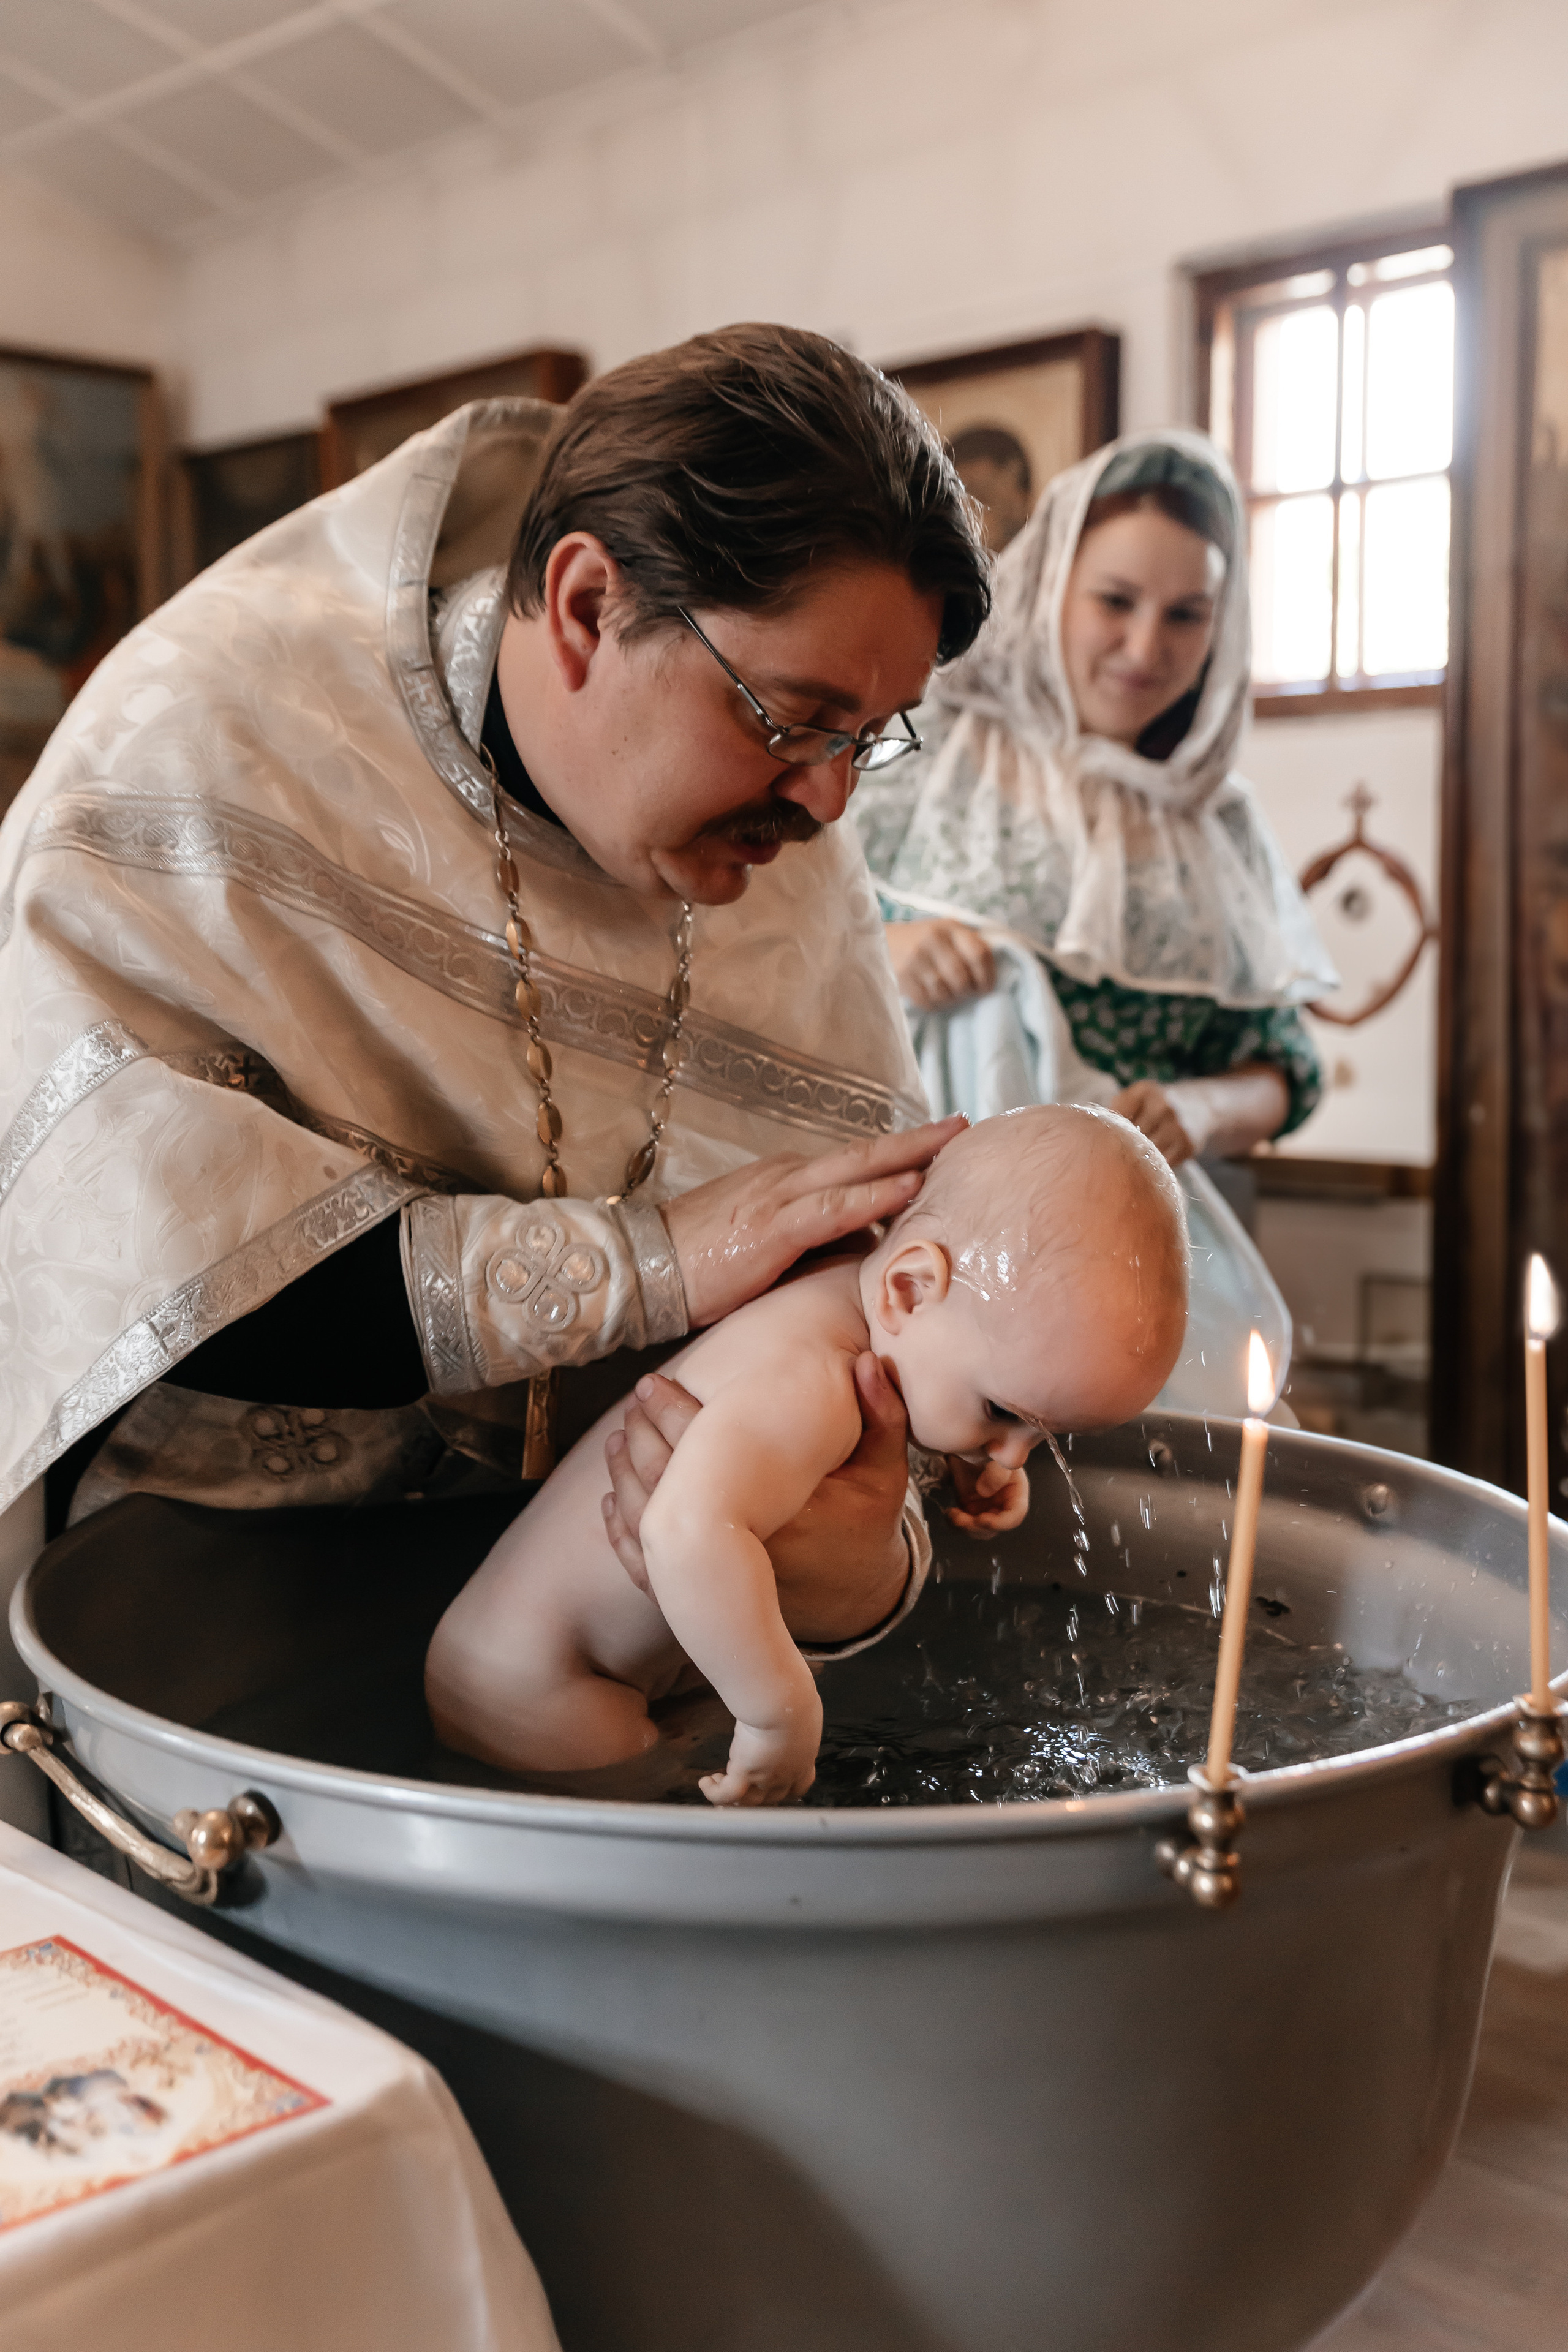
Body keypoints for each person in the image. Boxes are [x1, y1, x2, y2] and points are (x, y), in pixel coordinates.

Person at [0, 326, 992, 1651]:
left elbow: (849, 1287)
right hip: (207, 1609)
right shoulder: (215, 731)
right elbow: (115, 1257)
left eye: (866, 737)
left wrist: (861, 1544)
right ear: (588, 605)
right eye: (790, 717)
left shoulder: (785, 848)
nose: (826, 799)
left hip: (608, 1640)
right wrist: (649, 1266)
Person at [424, 1106, 1188, 1804]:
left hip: (575, 1664)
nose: (1009, 1457)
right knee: (663, 1810)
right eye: (1001, 1415)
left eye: (1041, 1438)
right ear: (910, 1290)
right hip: (535, 1688)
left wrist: (975, 1440)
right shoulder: (810, 1379)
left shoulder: (857, 1297)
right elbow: (684, 1531)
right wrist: (780, 1712)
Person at [854, 430, 1336, 1172]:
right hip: (905, 1214)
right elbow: (763, 950)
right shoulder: (923, 747)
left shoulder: (1217, 821)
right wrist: (884, 952)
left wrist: (1201, 1110)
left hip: (1127, 1229)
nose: (1145, 650)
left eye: (1185, 615)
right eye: (1116, 601)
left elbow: (1286, 1068)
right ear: (1051, 588)